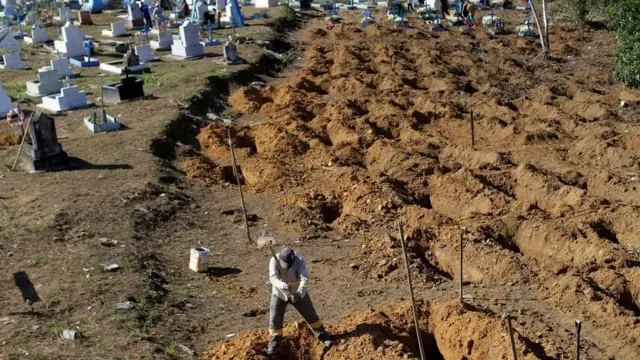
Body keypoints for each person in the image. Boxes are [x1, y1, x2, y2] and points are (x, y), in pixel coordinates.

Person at [267, 248, 332, 355]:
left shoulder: (299, 260)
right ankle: (274, 344)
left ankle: (323, 336)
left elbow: (304, 279)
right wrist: (282, 285)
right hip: (279, 293)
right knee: (275, 318)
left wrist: (299, 294)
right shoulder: (274, 260)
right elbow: (273, 278)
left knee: (310, 313)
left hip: (297, 291)